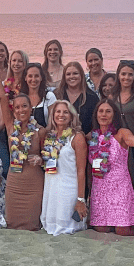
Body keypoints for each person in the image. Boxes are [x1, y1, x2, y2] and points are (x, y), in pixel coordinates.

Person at [0, 59, 46, 231]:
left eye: (25, 107)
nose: (21, 110)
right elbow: (1, 97)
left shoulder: (41, 131)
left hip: (34, 183)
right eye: (17, 108)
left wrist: (40, 159)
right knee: (12, 224)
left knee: (32, 225)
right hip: (15, 182)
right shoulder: (10, 127)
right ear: (13, 110)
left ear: (31, 109)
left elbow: (49, 158)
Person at [86, 101, 134, 236]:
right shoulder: (92, 136)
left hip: (120, 187)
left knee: (123, 231)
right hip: (100, 188)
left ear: (114, 114)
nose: (104, 114)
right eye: (101, 111)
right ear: (96, 114)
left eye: (108, 111)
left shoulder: (121, 133)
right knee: (101, 230)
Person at [40, 100, 88, 235]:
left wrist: (80, 199)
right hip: (51, 188)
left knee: (67, 229)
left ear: (72, 116)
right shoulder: (49, 137)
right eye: (58, 111)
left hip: (68, 190)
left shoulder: (77, 138)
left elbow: (81, 170)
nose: (61, 115)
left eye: (65, 112)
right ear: (53, 114)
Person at [109, 61, 134, 186]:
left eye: (130, 75)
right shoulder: (112, 97)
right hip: (119, 144)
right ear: (118, 75)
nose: (126, 78)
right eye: (123, 74)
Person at [55, 61, 100, 134]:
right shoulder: (57, 95)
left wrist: (90, 134)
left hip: (84, 139)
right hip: (59, 140)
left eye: (75, 73)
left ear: (81, 75)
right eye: (68, 74)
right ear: (64, 77)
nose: (72, 76)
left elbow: (97, 122)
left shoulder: (92, 97)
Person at [22, 63, 56, 127]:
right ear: (25, 78)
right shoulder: (21, 97)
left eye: (36, 76)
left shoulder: (49, 96)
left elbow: (53, 123)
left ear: (41, 78)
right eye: (30, 76)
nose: (33, 79)